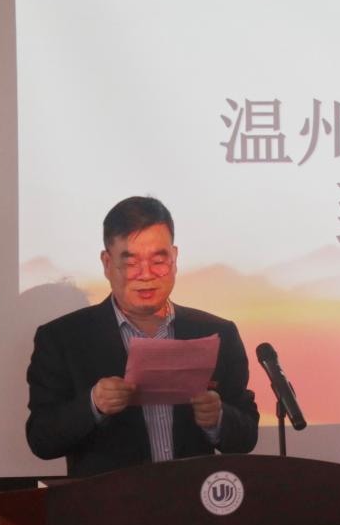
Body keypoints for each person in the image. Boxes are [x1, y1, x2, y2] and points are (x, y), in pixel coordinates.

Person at [25, 196, 259, 477]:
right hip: (110, 501)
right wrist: (93, 404)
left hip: (192, 499)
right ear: (107, 263)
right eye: (131, 262)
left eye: (158, 260)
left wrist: (218, 418)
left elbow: (246, 437)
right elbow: (41, 439)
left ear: (174, 259)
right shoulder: (63, 339)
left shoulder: (217, 332)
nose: (146, 275)